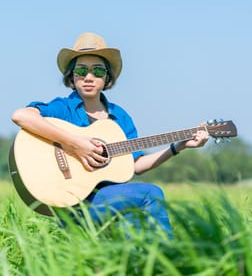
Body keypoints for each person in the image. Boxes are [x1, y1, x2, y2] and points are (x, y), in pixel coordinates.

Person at [11, 32, 209, 236]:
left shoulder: (119, 117)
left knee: (133, 219)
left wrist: (179, 146)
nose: (89, 77)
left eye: (97, 70)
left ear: (107, 77)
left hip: (107, 199)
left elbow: (136, 165)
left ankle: (141, 265)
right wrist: (74, 143)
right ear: (72, 76)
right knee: (152, 193)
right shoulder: (63, 108)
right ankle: (174, 257)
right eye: (81, 70)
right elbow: (21, 116)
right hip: (71, 203)